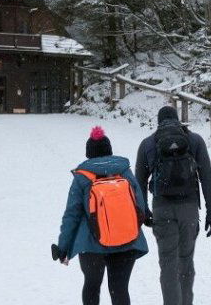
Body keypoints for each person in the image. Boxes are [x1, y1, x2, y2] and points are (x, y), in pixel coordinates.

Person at [57, 126, 149, 305]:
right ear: (109, 150)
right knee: (119, 289)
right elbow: (140, 206)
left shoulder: (82, 177)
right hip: (126, 240)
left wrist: (63, 247)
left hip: (91, 245)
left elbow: (72, 215)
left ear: (88, 153)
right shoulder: (124, 171)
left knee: (92, 286)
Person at [135, 105, 211, 305]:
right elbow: (207, 177)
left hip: (162, 209)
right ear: (178, 119)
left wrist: (144, 212)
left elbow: (139, 183)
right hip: (189, 209)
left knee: (168, 265)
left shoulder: (148, 144)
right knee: (186, 262)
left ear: (158, 122)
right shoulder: (194, 140)